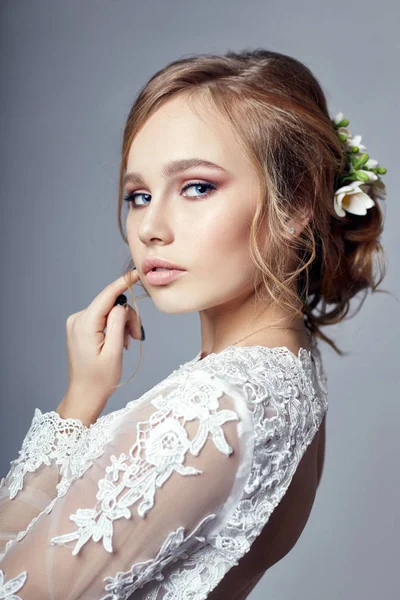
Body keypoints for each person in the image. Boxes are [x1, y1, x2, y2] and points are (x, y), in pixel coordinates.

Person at [0, 48, 387, 599]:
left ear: (296, 202)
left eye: (197, 187)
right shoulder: (288, 370)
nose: (151, 228)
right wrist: (86, 395)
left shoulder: (211, 408)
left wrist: (76, 406)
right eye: (139, 196)